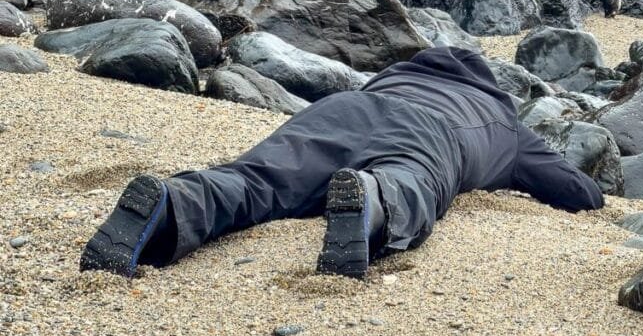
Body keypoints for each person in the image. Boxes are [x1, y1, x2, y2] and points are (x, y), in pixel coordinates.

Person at [80, 47, 605, 279]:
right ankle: (371, 202)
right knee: (408, 183)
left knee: (257, 180)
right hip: (430, 135)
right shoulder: (501, 119)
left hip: (343, 110)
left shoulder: (396, 75)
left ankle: (174, 202)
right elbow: (577, 192)